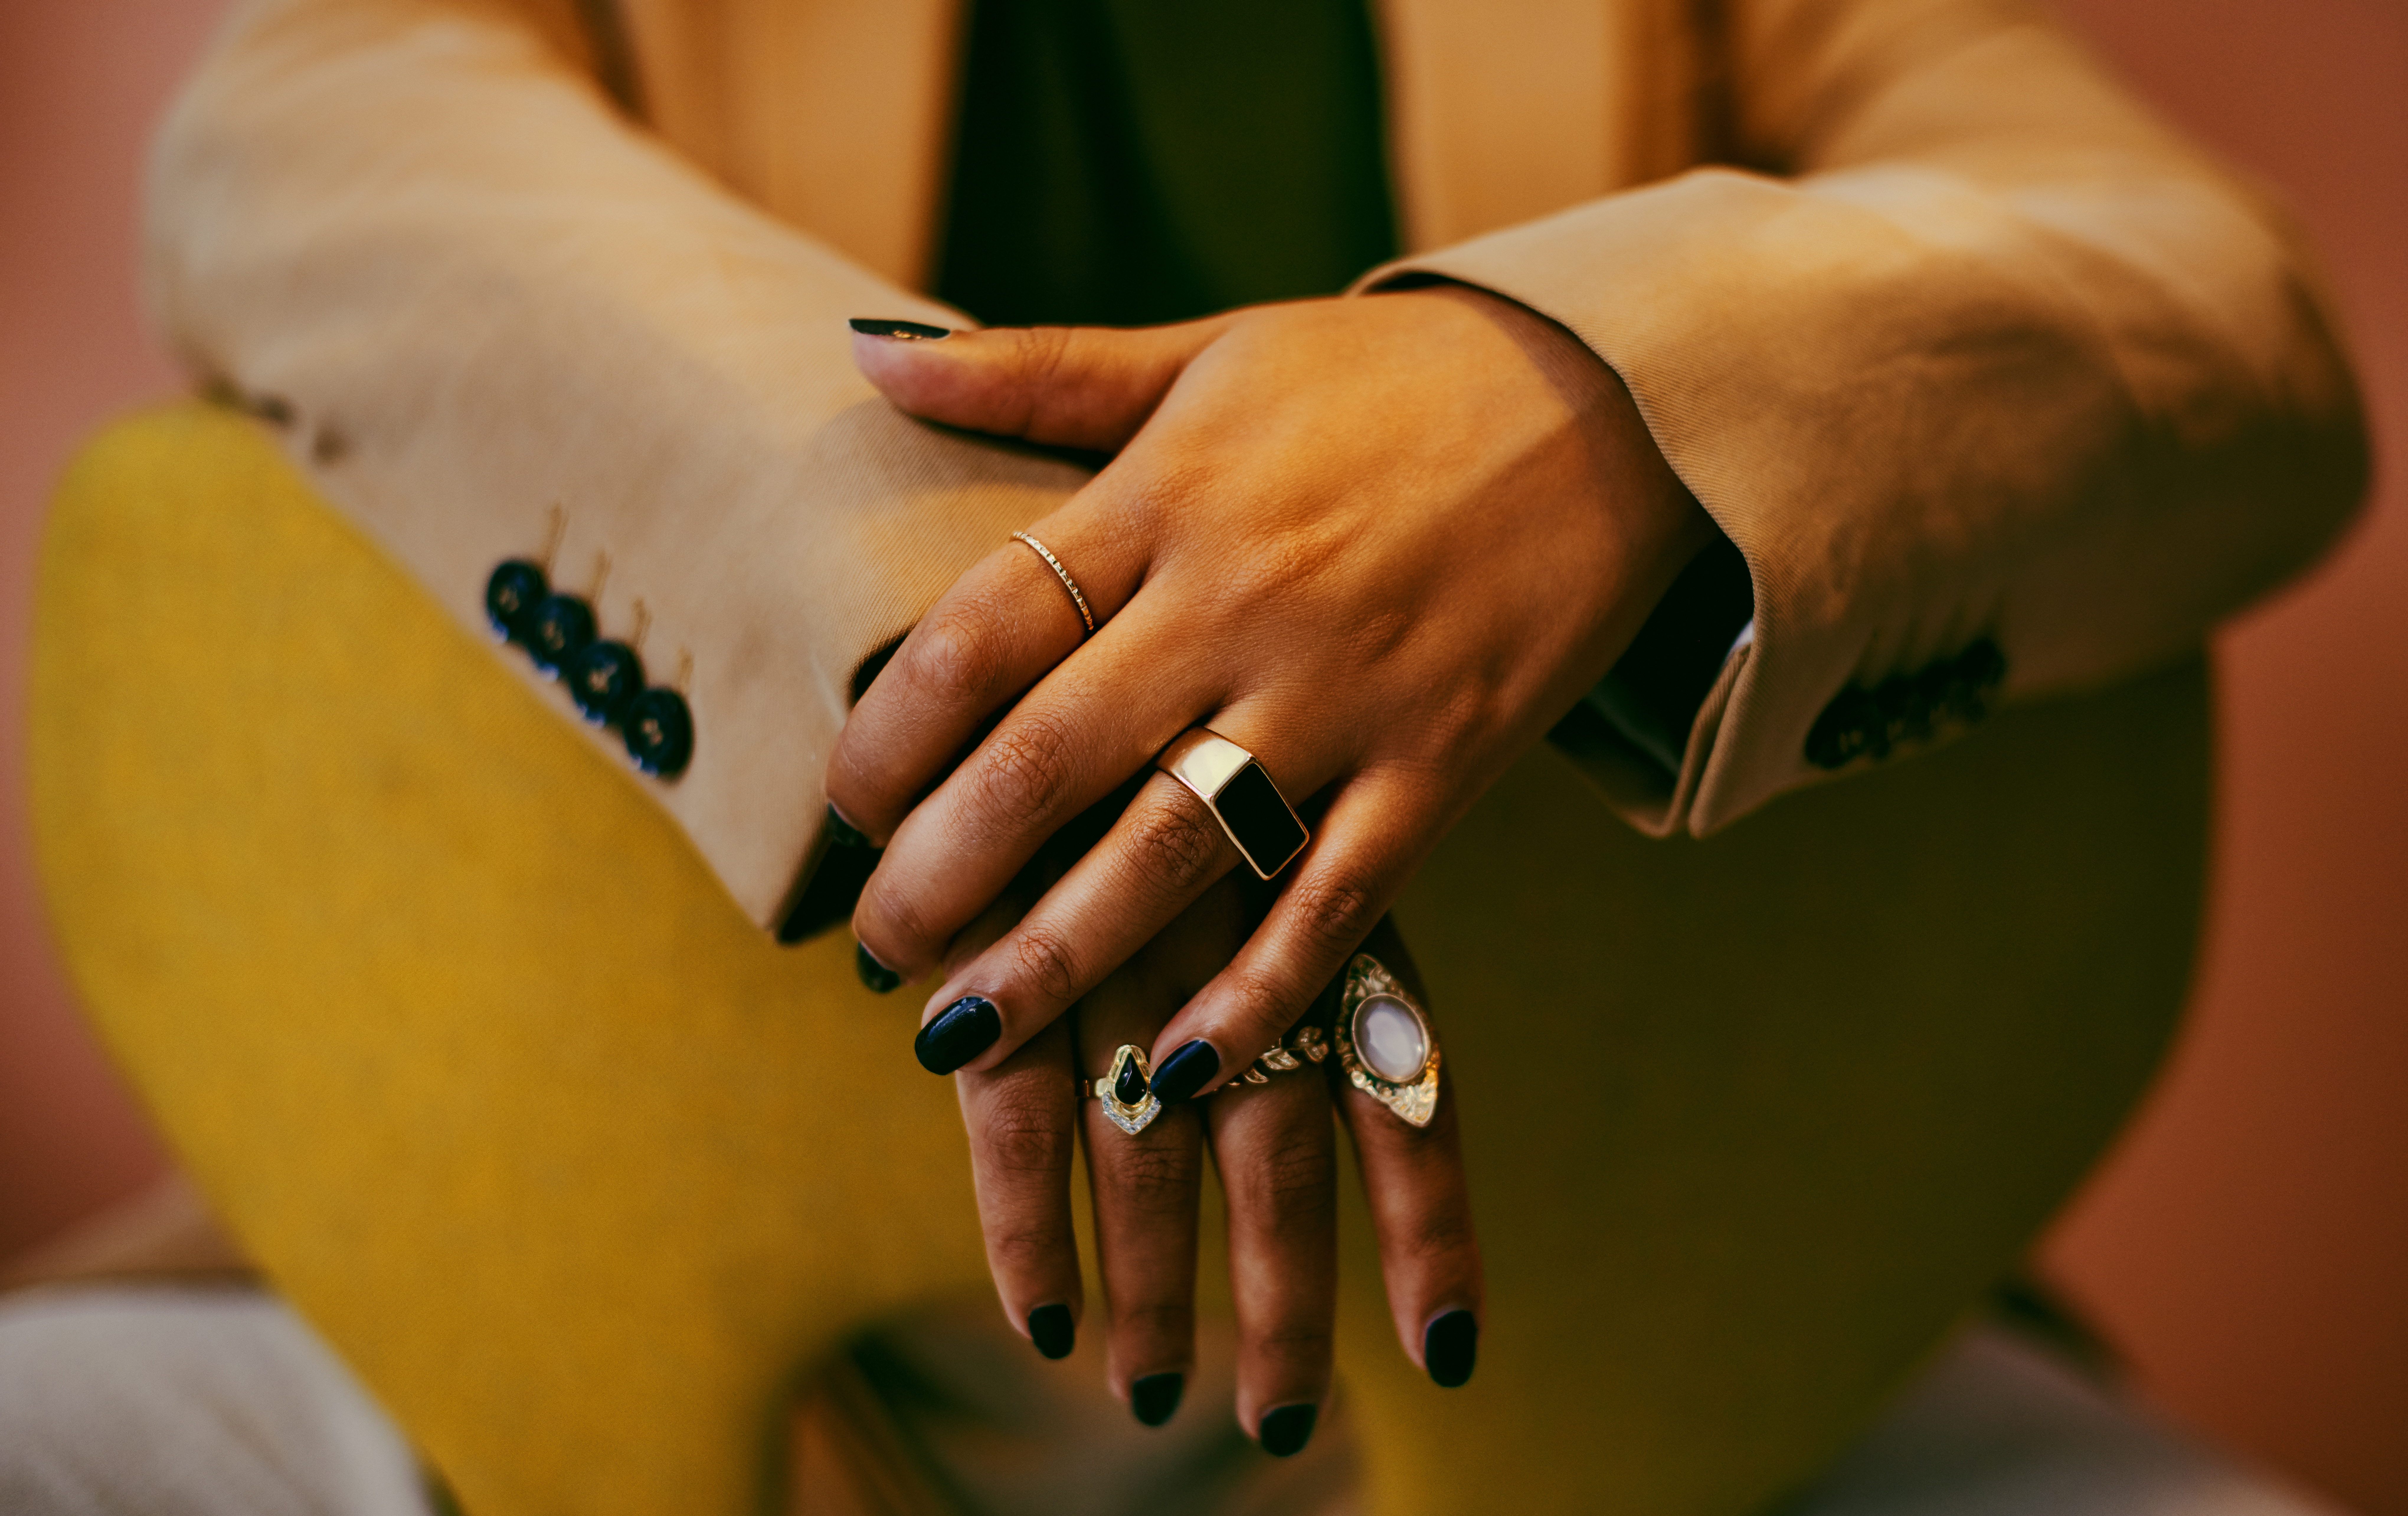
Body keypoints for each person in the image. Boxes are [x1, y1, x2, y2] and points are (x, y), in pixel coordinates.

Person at [7, 0, 2367, 1510]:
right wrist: (1039, 674)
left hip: (1679, 1327)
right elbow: (302, 147)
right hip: (533, 1292)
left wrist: (1572, 403)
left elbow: (2212, 305)